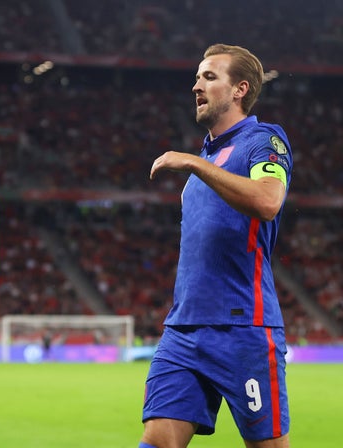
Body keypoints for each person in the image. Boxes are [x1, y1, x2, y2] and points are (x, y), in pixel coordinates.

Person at [141, 44, 293, 448]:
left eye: (209, 77)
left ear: (240, 89)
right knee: (157, 441)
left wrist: (193, 162)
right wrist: (199, 163)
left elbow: (267, 201)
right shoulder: (207, 161)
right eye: (196, 77)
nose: (196, 85)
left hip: (243, 329)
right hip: (183, 330)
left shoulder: (263, 141)